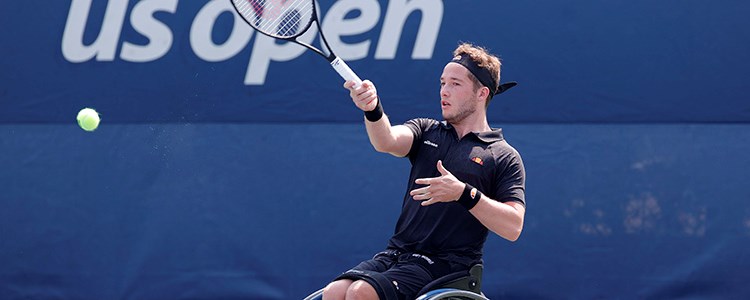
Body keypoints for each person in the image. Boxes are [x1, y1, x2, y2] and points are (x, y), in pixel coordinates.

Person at [322, 43, 526, 300]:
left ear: (481, 93)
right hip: (398, 254)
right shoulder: (427, 131)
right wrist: (373, 109)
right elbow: (386, 140)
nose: (444, 91)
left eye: (455, 84)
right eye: (442, 83)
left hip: (448, 265)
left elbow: (513, 226)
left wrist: (463, 193)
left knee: (362, 293)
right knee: (335, 292)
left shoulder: (502, 155)